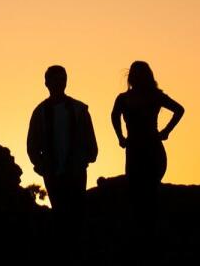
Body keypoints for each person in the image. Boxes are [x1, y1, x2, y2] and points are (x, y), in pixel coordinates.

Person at [111, 61, 184, 231]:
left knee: (144, 192)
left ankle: (147, 231)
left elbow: (180, 110)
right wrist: (120, 137)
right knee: (142, 193)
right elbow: (114, 116)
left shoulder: (144, 97)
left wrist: (121, 137)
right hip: (141, 149)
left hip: (148, 150)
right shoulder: (144, 97)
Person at [26, 65, 98, 228]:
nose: (59, 83)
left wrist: (86, 158)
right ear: (47, 83)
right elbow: (32, 143)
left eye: (62, 79)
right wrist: (41, 164)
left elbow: (90, 140)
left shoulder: (79, 109)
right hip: (52, 172)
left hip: (76, 171)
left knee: (77, 216)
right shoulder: (40, 112)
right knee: (60, 216)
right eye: (55, 79)